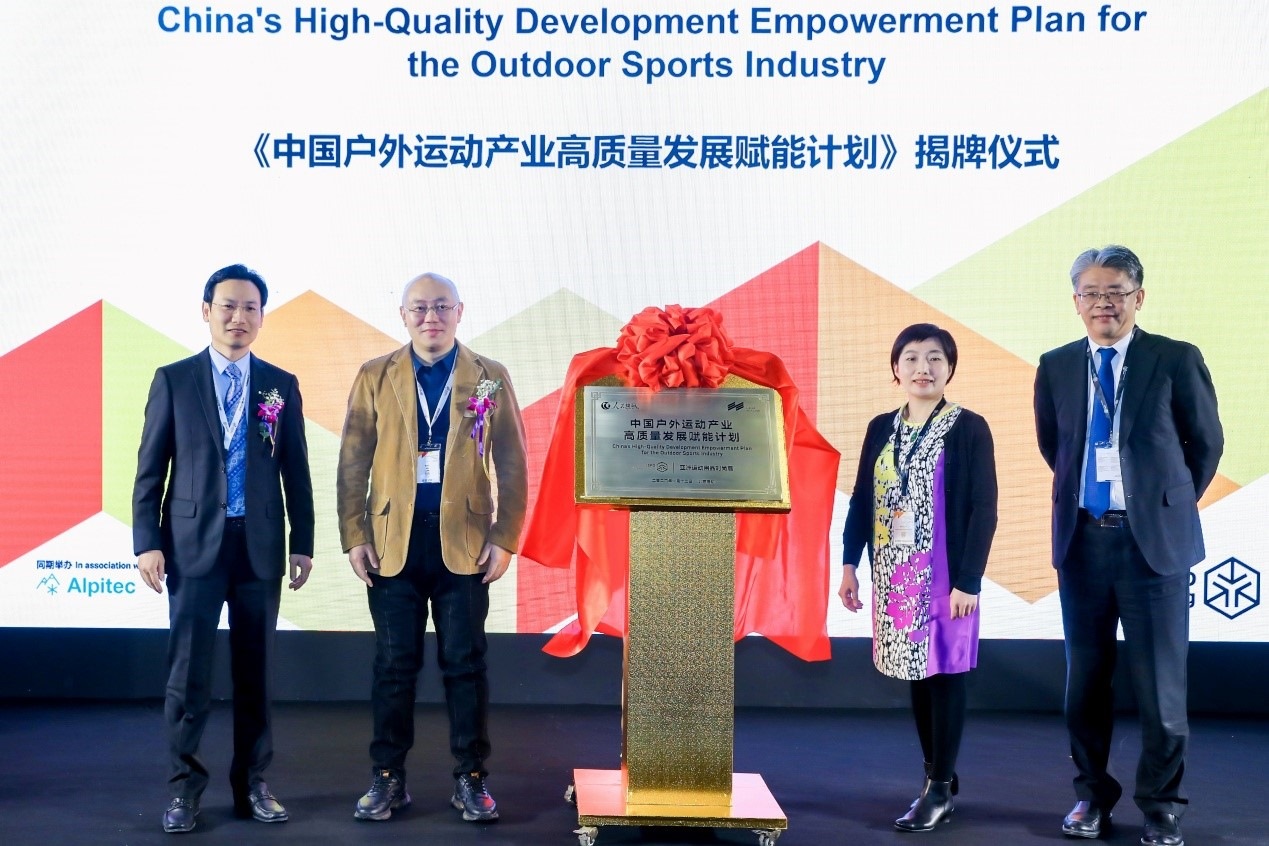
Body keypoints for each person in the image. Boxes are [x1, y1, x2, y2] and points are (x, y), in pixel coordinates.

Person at [1034, 246, 1222, 846]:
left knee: (1161, 689)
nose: (1103, 303)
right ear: (1076, 302)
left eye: (1115, 292)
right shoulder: (1056, 366)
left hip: (1153, 549)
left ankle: (1162, 804)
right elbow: (1055, 446)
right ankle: (1091, 796)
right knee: (1085, 685)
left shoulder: (1175, 358)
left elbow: (1205, 444)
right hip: (1083, 544)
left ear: (1138, 297)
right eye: (1091, 293)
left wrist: (1160, 506)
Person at [336, 272, 528, 824]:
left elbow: (512, 461)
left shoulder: (490, 376)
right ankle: (387, 778)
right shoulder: (375, 375)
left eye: (441, 306)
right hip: (391, 542)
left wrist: (505, 537)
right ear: (403, 315)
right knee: (393, 665)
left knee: (464, 664)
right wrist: (355, 534)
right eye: (419, 308)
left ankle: (471, 778)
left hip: (465, 542)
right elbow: (353, 460)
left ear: (459, 312)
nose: (430, 317)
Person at [133, 264, 315, 834]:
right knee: (189, 675)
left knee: (255, 674)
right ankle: (184, 789)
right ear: (206, 310)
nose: (239, 317)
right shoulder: (174, 379)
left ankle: (253, 784)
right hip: (191, 548)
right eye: (229, 306)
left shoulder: (279, 385)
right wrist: (147, 542)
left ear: (262, 316)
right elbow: (150, 472)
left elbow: (296, 471)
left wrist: (303, 543)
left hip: (259, 547)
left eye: (250, 308)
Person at [840, 323, 998, 832]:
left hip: (947, 577)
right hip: (895, 572)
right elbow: (863, 499)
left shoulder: (968, 427)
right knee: (916, 672)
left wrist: (969, 581)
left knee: (946, 672)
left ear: (950, 368)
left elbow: (984, 509)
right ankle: (936, 776)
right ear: (895, 369)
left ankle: (939, 789)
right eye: (910, 358)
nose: (922, 368)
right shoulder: (880, 427)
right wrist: (849, 563)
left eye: (934, 358)